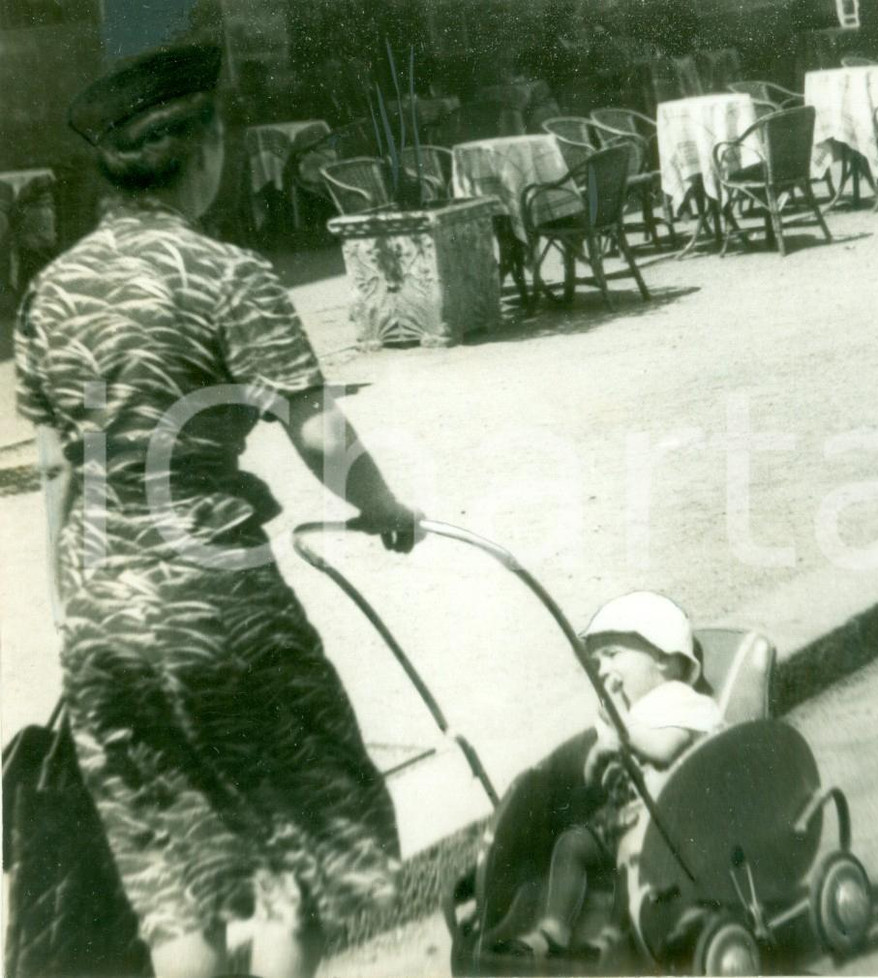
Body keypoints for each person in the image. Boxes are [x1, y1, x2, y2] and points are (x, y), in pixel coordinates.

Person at [14, 44, 422, 978]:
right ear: (201, 150)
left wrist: (70, 602)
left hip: (101, 617)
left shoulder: (50, 290)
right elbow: (315, 429)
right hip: (218, 605)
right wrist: (385, 506)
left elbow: (55, 467)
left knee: (172, 881)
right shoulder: (226, 275)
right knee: (303, 850)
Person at [510, 591, 723, 958]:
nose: (602, 669)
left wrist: (622, 728)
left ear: (663, 658)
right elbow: (594, 780)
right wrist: (597, 758)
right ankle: (554, 928)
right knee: (572, 844)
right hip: (622, 818)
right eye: (597, 662)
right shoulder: (623, 713)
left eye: (612, 655)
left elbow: (665, 748)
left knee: (630, 854)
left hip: (673, 826)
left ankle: (614, 934)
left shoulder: (681, 701)